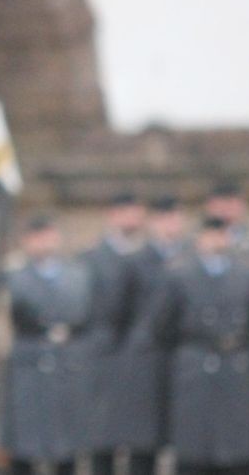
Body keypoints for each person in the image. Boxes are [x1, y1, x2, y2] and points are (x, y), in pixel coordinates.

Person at [152, 216, 249, 475]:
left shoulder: (245, 273)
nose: (217, 241)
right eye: (211, 235)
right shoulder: (180, 274)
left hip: (233, 362)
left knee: (234, 447)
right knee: (195, 446)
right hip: (196, 363)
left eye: (222, 235)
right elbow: (162, 325)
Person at [0, 214, 93, 475]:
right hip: (27, 365)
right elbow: (2, 318)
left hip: (66, 365)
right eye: (36, 237)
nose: (44, 243)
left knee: (66, 448)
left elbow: (84, 314)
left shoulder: (77, 274)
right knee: (23, 448)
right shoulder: (14, 275)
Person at [112, 195, 188, 475]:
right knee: (143, 446)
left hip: (180, 361)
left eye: (176, 218)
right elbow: (120, 314)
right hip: (146, 362)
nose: (172, 225)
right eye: (165, 218)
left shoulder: (189, 258)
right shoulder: (136, 262)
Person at [82, 192, 143, 475]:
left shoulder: (144, 256)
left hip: (137, 356)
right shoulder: (93, 258)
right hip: (103, 356)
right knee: (102, 440)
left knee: (139, 442)